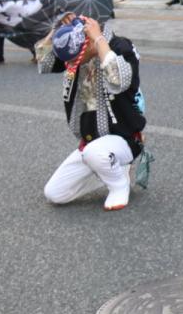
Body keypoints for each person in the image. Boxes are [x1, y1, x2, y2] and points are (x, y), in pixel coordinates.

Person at [36, 15, 146, 212]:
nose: (70, 64)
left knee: (95, 153)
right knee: (54, 193)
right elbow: (43, 64)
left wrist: (99, 40)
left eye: (73, 58)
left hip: (124, 138)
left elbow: (119, 80)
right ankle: (114, 170)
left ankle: (119, 186)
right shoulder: (75, 49)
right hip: (90, 145)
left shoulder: (120, 46)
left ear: (87, 43)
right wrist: (56, 31)